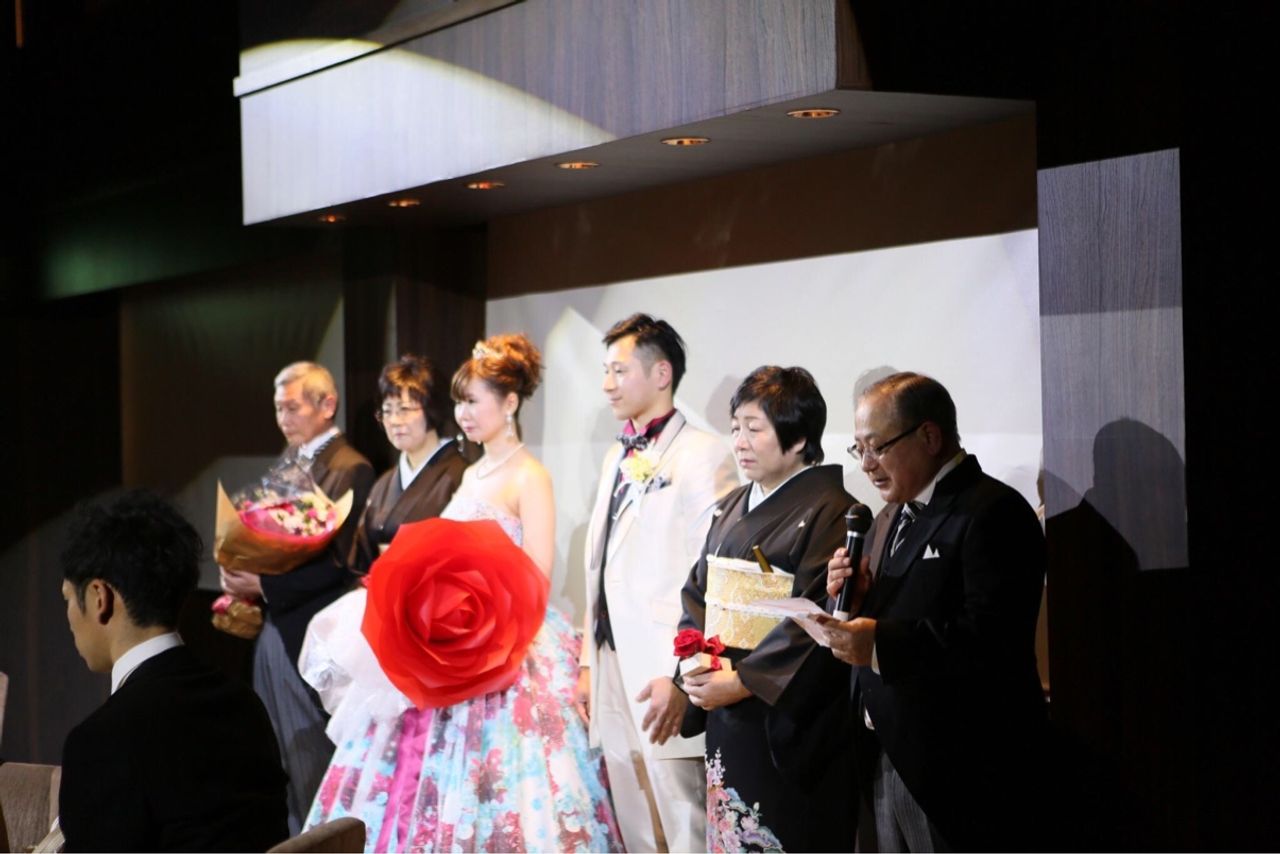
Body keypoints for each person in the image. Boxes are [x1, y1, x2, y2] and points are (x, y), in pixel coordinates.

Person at [304, 334, 622, 853]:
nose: (463, 414)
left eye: (473, 401)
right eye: (459, 402)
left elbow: (537, 572)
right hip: (455, 636)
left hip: (509, 637)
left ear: (510, 402)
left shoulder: (530, 475)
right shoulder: (472, 473)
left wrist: (490, 622)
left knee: (510, 773)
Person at [822, 372, 1047, 851]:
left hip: (958, 767)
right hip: (884, 752)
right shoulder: (886, 517)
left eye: (877, 447)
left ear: (929, 436)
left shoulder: (992, 510)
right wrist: (855, 601)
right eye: (858, 449)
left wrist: (879, 643)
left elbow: (990, 638)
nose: (866, 464)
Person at [679, 366, 858, 852]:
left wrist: (743, 681)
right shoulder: (733, 505)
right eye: (735, 427)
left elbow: (816, 618)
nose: (739, 441)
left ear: (798, 438)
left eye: (754, 429)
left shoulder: (831, 511)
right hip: (725, 704)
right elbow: (697, 591)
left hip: (782, 716)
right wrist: (696, 661)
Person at [578, 313, 737, 852]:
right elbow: (599, 565)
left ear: (661, 373)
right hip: (611, 659)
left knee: (682, 812)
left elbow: (711, 574)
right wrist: (588, 661)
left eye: (619, 371)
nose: (607, 384)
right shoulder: (616, 454)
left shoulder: (703, 452)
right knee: (632, 808)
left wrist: (682, 674)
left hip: (662, 664)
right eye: (605, 371)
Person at [58, 490, 288, 852]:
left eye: (69, 598)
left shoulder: (102, 740)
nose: (69, 617)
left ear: (100, 598)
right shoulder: (245, 704)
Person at [220, 361, 375, 835]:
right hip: (276, 625)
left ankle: (325, 843)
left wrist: (263, 585)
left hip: (313, 628)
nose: (283, 419)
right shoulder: (288, 462)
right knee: (280, 754)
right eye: (278, 409)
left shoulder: (351, 467)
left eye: (292, 407)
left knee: (311, 754)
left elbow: (342, 564)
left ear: (327, 405)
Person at [347, 354, 473, 574]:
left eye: (404, 409)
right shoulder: (383, 484)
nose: (395, 420)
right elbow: (362, 555)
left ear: (432, 409)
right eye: (387, 411)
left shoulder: (460, 476)